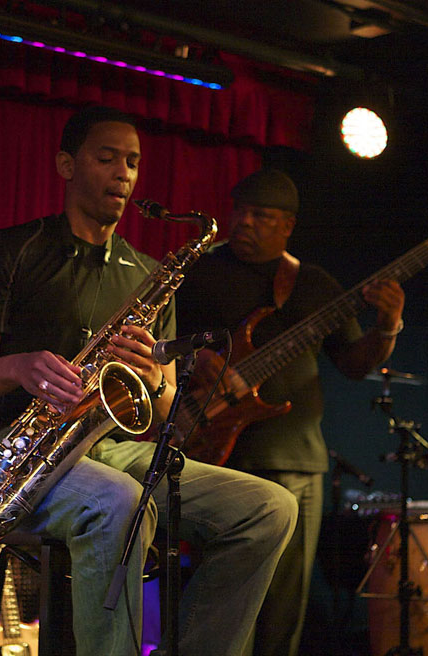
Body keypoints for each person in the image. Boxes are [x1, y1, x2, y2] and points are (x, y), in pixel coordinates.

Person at [0, 106, 297, 656]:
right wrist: (19, 366)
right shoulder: (14, 249)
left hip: (109, 449)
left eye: (132, 162)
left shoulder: (149, 273)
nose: (124, 174)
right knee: (120, 500)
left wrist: (157, 381)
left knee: (270, 508)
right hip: (15, 455)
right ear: (66, 165)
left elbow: (162, 413)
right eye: (107, 158)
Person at [174, 168, 405, 656]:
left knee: (282, 608)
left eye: (261, 215)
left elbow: (352, 364)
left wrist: (387, 327)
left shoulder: (314, 284)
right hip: (208, 450)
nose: (244, 221)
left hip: (292, 461)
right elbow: (158, 348)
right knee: (209, 595)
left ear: (288, 226)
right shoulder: (196, 275)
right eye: (240, 210)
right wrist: (197, 360)